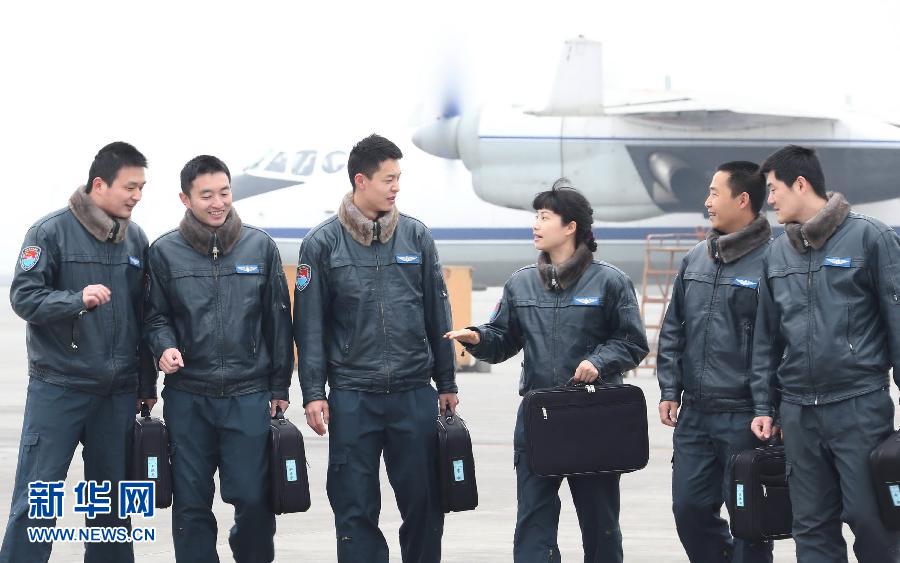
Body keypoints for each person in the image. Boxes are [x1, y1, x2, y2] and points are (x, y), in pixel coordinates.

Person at [445, 179, 648, 563]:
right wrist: (476, 338)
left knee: (600, 523)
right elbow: (504, 339)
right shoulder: (521, 283)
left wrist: (598, 362)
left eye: (544, 217)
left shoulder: (610, 282)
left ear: (570, 227)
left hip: (593, 417)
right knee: (533, 521)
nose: (535, 224)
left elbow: (632, 342)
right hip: (539, 417)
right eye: (535, 216)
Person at [293, 134, 458, 563]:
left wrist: (446, 381)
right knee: (354, 508)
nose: (396, 187)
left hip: (412, 393)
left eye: (399, 178)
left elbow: (438, 316)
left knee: (425, 503)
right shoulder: (322, 243)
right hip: (353, 395)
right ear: (360, 181)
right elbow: (309, 326)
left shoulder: (417, 237)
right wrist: (313, 393)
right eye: (388, 179)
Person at [1, 142, 151, 563]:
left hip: (117, 395)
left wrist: (144, 384)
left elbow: (144, 318)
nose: (137, 196)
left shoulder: (136, 239)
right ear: (99, 184)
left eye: (142, 187)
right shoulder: (49, 232)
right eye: (130, 186)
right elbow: (24, 298)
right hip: (59, 388)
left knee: (115, 509)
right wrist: (75, 300)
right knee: (38, 501)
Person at [749, 145, 900, 561]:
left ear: (801, 184)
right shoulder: (777, 253)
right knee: (811, 527)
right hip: (798, 414)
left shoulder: (871, 236)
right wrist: (765, 404)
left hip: (858, 406)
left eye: (774, 188)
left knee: (872, 521)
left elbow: (897, 321)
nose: (771, 200)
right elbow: (766, 338)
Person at [143, 155, 293, 562]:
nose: (217, 202)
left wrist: (280, 385)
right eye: (206, 194)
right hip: (188, 397)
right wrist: (164, 347)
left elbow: (278, 322)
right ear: (185, 198)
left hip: (247, 395)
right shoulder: (164, 252)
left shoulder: (259, 246)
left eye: (224, 192)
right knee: (191, 504)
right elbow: (155, 316)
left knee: (253, 498)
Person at [656, 161, 773, 562]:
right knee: (688, 509)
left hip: (745, 415)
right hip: (696, 415)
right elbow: (673, 328)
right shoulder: (695, 260)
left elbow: (780, 343)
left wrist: (767, 407)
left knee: (750, 520)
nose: (706, 202)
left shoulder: (774, 261)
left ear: (743, 200)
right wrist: (670, 389)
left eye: (714, 193)